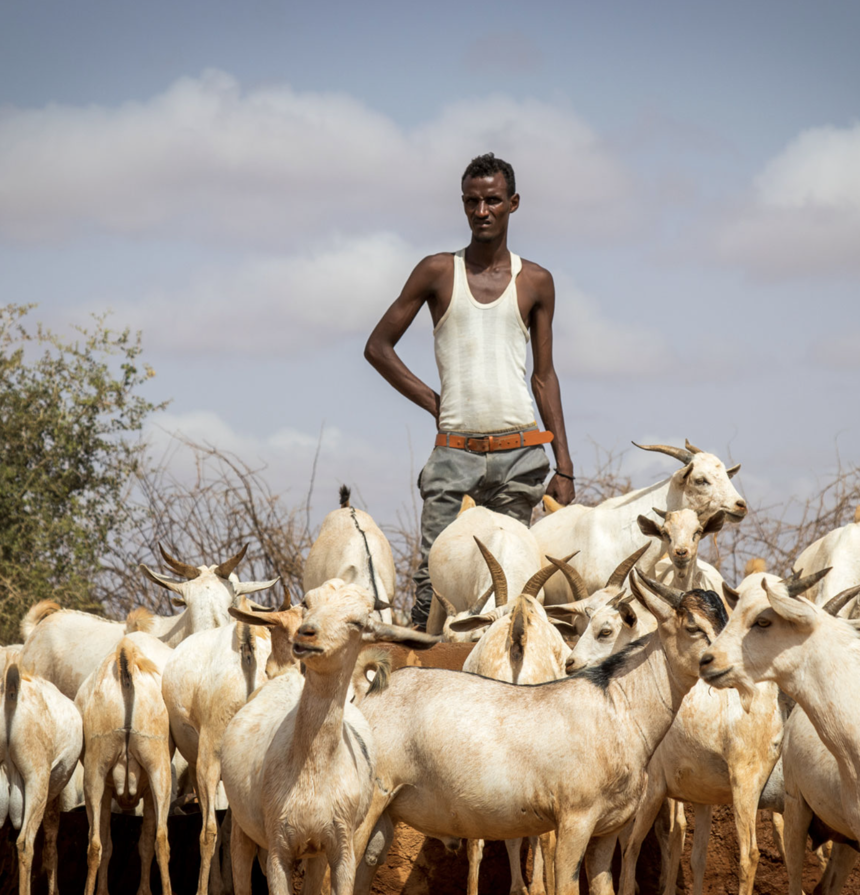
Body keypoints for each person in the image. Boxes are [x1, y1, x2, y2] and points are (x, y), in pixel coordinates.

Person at [364, 153, 575, 631]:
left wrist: (564, 465)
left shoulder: (536, 281)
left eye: (493, 201)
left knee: (512, 584)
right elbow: (377, 347)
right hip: (454, 452)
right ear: (463, 206)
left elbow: (545, 376)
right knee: (432, 588)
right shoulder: (437, 272)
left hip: (520, 452)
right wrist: (434, 402)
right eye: (473, 202)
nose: (483, 212)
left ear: (513, 204)